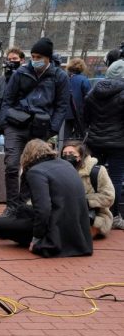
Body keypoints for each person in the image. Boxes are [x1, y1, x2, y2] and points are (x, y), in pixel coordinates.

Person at [0, 37, 70, 213]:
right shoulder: (21, 73)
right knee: (12, 165)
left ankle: (21, 205)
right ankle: (12, 205)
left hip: (40, 128)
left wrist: (52, 128)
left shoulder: (59, 76)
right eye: (33, 56)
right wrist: (4, 121)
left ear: (48, 58)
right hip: (15, 124)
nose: (35, 60)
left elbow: (62, 106)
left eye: (39, 57)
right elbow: (7, 98)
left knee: (32, 168)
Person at [0, 139, 92, 257]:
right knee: (23, 210)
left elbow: (43, 209)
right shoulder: (66, 164)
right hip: (76, 230)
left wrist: (36, 238)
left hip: (55, 229)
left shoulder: (36, 172)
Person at [83, 58, 124, 229]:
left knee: (94, 177)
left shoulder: (93, 92)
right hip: (118, 144)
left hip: (95, 140)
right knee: (114, 179)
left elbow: (85, 118)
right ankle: (114, 216)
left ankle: (93, 211)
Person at [61, 140, 115, 238]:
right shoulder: (59, 171)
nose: (67, 156)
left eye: (71, 153)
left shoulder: (97, 171)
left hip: (94, 216)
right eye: (64, 154)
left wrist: (85, 201)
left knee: (77, 237)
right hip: (66, 213)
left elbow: (109, 197)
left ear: (81, 156)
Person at [64, 58, 92, 139]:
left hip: (65, 114)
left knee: (64, 137)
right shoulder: (84, 80)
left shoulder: (65, 79)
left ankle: (64, 150)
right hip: (79, 113)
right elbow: (89, 98)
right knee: (80, 137)